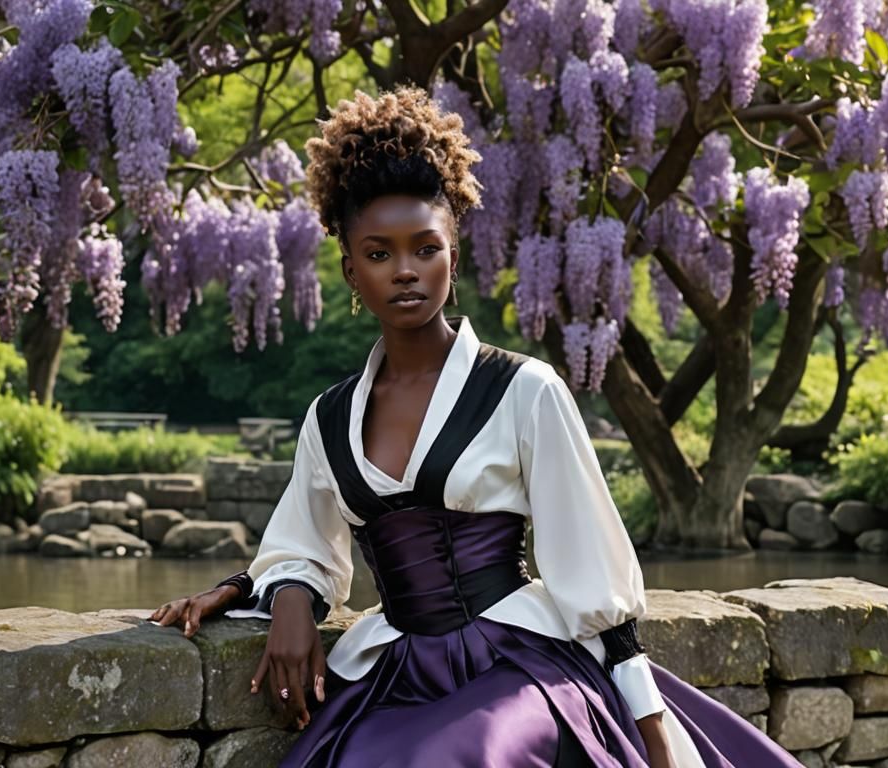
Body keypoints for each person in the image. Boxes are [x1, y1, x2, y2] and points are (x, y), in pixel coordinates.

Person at [151, 86, 801, 768]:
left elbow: (593, 570)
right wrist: (283, 598)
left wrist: (654, 729)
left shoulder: (525, 390)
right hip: (397, 669)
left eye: (424, 248)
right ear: (349, 269)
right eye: (378, 254)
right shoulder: (330, 418)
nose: (405, 270)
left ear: (453, 258)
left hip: (519, 664)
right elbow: (302, 547)